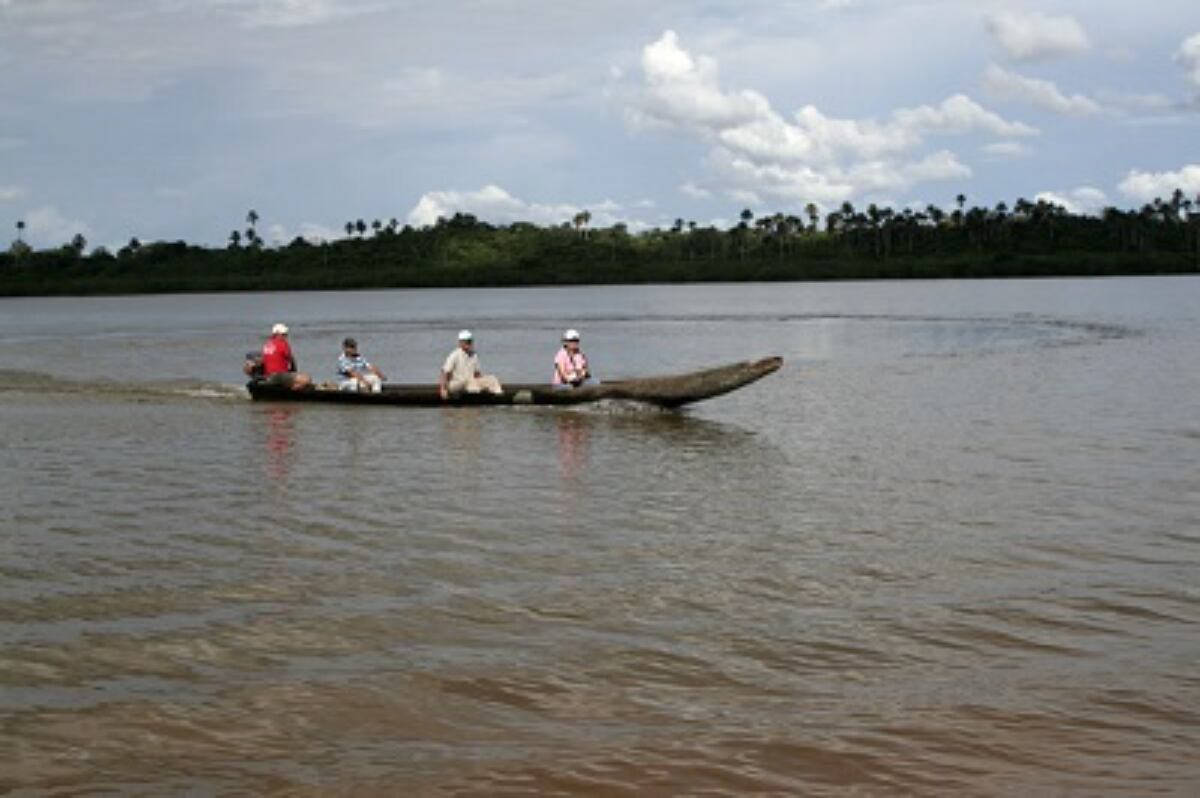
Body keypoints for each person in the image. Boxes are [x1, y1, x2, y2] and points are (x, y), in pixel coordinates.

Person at [439, 329, 503, 400]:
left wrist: (484, 384)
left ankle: (499, 397)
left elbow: (477, 374)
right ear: (460, 343)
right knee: (466, 384)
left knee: (492, 379)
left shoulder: (474, 355)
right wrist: (443, 389)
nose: (469, 344)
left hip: (470, 382)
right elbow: (445, 372)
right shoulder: (455, 354)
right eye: (466, 341)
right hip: (456, 383)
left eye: (470, 341)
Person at [260, 322, 312, 390]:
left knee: (291, 376)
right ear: (277, 334)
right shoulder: (283, 344)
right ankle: (292, 391)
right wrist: (294, 372)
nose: (286, 336)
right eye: (284, 334)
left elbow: (265, 360)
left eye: (286, 334)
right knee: (307, 379)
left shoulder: (267, 345)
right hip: (279, 376)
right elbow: (291, 359)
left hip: (269, 376)